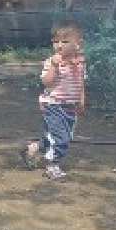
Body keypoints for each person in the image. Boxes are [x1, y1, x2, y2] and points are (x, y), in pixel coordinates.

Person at [21, 19, 87, 181]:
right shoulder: (52, 62)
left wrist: (81, 101)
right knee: (60, 138)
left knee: (53, 136)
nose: (59, 45)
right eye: (56, 41)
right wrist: (54, 67)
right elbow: (47, 82)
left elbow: (81, 83)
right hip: (54, 106)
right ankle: (52, 166)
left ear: (78, 43)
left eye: (65, 41)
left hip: (70, 108)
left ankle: (32, 148)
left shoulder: (80, 63)